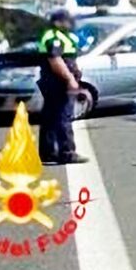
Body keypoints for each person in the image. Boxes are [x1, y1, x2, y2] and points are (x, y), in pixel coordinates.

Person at [37, 9, 89, 164]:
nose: (69, 24)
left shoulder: (55, 35)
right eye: (66, 21)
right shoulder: (54, 37)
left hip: (53, 81)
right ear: (58, 22)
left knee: (50, 117)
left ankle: (48, 153)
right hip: (58, 82)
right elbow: (56, 60)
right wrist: (70, 79)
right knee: (62, 117)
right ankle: (67, 152)